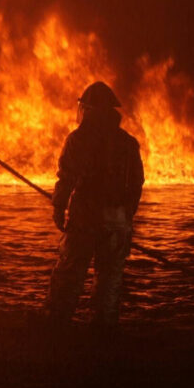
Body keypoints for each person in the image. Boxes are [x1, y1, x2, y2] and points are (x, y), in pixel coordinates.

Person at [46, 81, 144, 331]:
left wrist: (58, 207)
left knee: (69, 272)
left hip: (85, 218)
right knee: (109, 277)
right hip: (117, 220)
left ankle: (56, 324)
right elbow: (136, 183)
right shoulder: (128, 143)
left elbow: (66, 176)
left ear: (88, 109)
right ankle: (103, 328)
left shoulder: (79, 139)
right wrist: (125, 216)